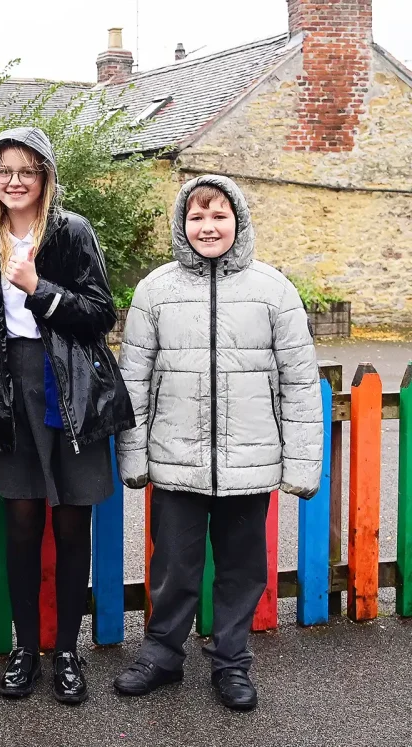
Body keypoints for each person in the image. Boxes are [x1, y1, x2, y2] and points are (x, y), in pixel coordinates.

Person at [113, 175, 322, 711]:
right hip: (175, 460)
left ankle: (231, 662)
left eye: (219, 216)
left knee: (241, 569)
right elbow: (133, 381)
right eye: (197, 217)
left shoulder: (273, 289)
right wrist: (133, 456)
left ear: (239, 220)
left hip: (249, 464)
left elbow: (299, 383)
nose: (208, 227)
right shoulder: (155, 290)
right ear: (183, 225)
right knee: (173, 568)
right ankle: (161, 655)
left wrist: (300, 465)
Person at [0, 127, 134, 705]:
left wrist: (40, 289)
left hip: (69, 387)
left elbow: (101, 313)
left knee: (69, 526)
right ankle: (25, 651)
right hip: (12, 395)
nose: (14, 181)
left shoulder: (70, 232)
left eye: (26, 171)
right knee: (22, 525)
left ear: (45, 178)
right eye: (4, 170)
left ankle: (66, 651)